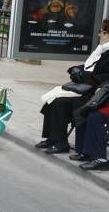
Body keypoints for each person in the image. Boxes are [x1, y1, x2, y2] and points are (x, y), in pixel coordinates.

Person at [36, 19, 109, 154]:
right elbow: (90, 66)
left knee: (60, 102)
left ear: (108, 34)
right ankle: (51, 138)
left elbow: (104, 77)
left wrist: (82, 75)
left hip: (97, 94)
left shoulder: (106, 51)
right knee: (51, 99)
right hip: (87, 88)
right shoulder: (101, 50)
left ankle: (61, 142)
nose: (99, 35)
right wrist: (76, 69)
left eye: (101, 32)